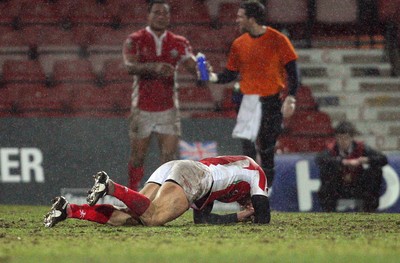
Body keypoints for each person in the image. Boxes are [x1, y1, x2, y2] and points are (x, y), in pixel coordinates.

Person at [207, 1, 299, 187]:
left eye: (241, 16)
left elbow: (293, 72)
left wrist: (291, 97)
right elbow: (230, 74)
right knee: (247, 150)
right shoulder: (239, 44)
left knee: (267, 149)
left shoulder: (278, 40)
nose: (237, 20)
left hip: (271, 101)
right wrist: (213, 77)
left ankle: (265, 194)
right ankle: (251, 195)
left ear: (252, 19)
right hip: (247, 101)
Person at [43, 155, 270, 227]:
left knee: (134, 218)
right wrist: (253, 213)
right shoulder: (256, 174)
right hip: (194, 175)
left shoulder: (229, 181)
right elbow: (264, 218)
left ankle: (70, 210)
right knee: (153, 218)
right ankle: (111, 186)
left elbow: (201, 219)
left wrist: (240, 215)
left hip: (180, 168)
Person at [122, 0, 200, 190]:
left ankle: (162, 196)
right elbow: (129, 67)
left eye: (165, 13)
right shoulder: (135, 39)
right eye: (157, 12)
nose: (161, 16)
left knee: (169, 157)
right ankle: (133, 192)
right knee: (138, 157)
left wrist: (201, 70)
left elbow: (193, 67)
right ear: (148, 15)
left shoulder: (179, 42)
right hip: (142, 108)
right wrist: (154, 68)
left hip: (168, 109)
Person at [316, 121, 388, 212]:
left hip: (358, 186)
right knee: (326, 171)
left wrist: (366, 160)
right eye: (340, 138)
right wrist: (342, 162)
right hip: (338, 186)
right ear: (336, 138)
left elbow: (383, 159)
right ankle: (329, 213)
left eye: (346, 138)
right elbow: (319, 160)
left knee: (375, 170)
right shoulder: (331, 149)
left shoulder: (361, 148)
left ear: (351, 138)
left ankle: (369, 211)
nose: (343, 141)